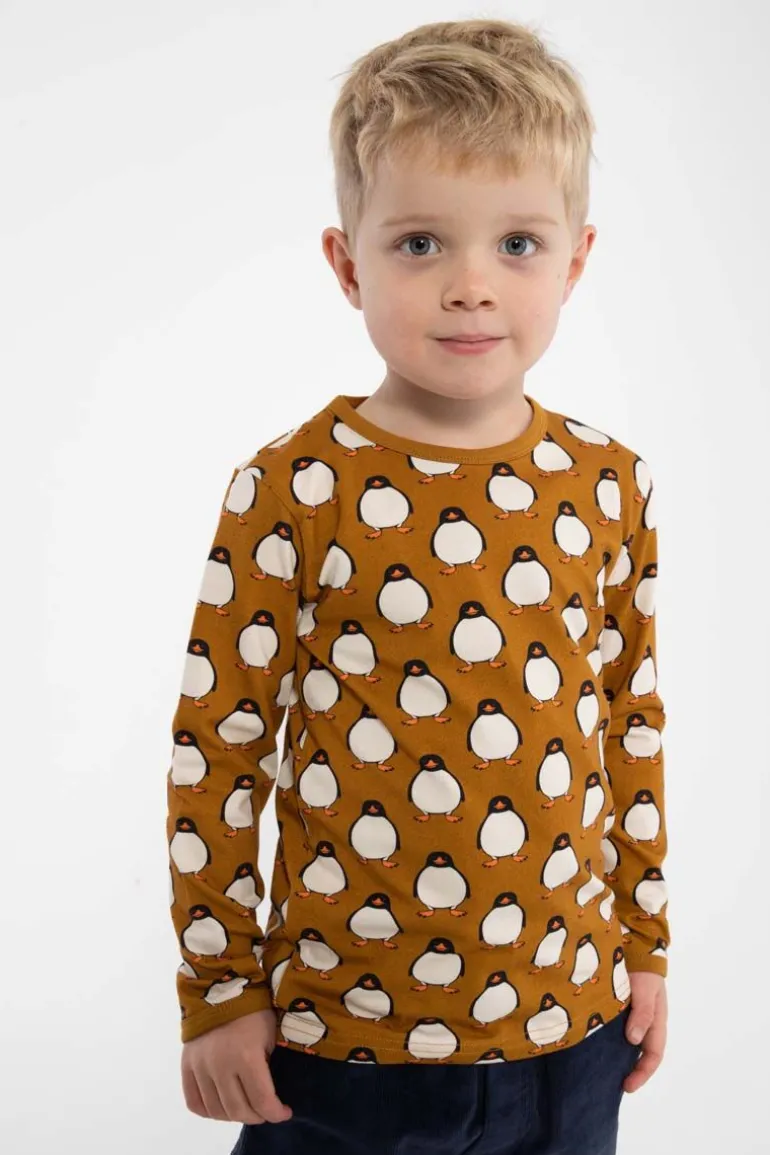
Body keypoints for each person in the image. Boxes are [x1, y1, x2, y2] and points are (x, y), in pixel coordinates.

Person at [166, 16, 670, 1154]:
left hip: (572, 1032)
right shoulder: (293, 488)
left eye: (517, 244)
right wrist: (219, 990)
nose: (470, 288)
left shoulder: (608, 483)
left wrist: (643, 944)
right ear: (348, 264)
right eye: (420, 244)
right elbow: (219, 748)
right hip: (343, 1045)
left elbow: (627, 720)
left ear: (576, 260)